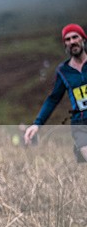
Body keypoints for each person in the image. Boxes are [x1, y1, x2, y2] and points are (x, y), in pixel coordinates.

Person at [24, 24, 87, 160]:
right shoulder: (63, 71)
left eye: (75, 37)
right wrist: (37, 124)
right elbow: (53, 99)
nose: (72, 42)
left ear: (83, 39)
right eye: (67, 39)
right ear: (65, 44)